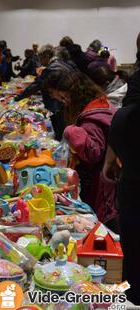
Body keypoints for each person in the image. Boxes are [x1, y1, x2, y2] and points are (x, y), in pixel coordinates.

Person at [42, 62, 116, 223]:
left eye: (60, 96)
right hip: (104, 184)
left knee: (100, 228)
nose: (58, 99)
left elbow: (93, 153)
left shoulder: (91, 116)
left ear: (69, 91)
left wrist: (71, 131)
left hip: (101, 187)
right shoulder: (97, 102)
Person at [103, 103, 140, 305]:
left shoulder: (123, 116)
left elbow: (111, 157)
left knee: (131, 252)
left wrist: (109, 164)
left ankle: (128, 299)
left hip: (132, 192)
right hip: (131, 193)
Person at [15, 44, 65, 141]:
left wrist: (18, 97)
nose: (40, 61)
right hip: (61, 105)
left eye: (40, 58)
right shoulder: (60, 64)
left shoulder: (51, 69)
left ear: (46, 56)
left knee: (59, 133)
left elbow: (35, 85)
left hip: (57, 106)